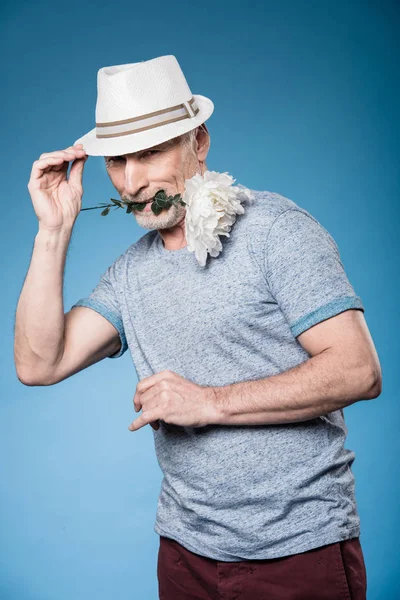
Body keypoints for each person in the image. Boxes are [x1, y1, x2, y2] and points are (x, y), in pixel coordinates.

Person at [15, 55, 381, 599]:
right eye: (117, 161)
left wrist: (210, 402)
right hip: (185, 554)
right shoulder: (130, 272)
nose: (132, 182)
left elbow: (359, 370)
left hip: (297, 551)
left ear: (198, 141)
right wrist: (54, 230)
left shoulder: (277, 231)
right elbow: (39, 363)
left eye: (149, 153)